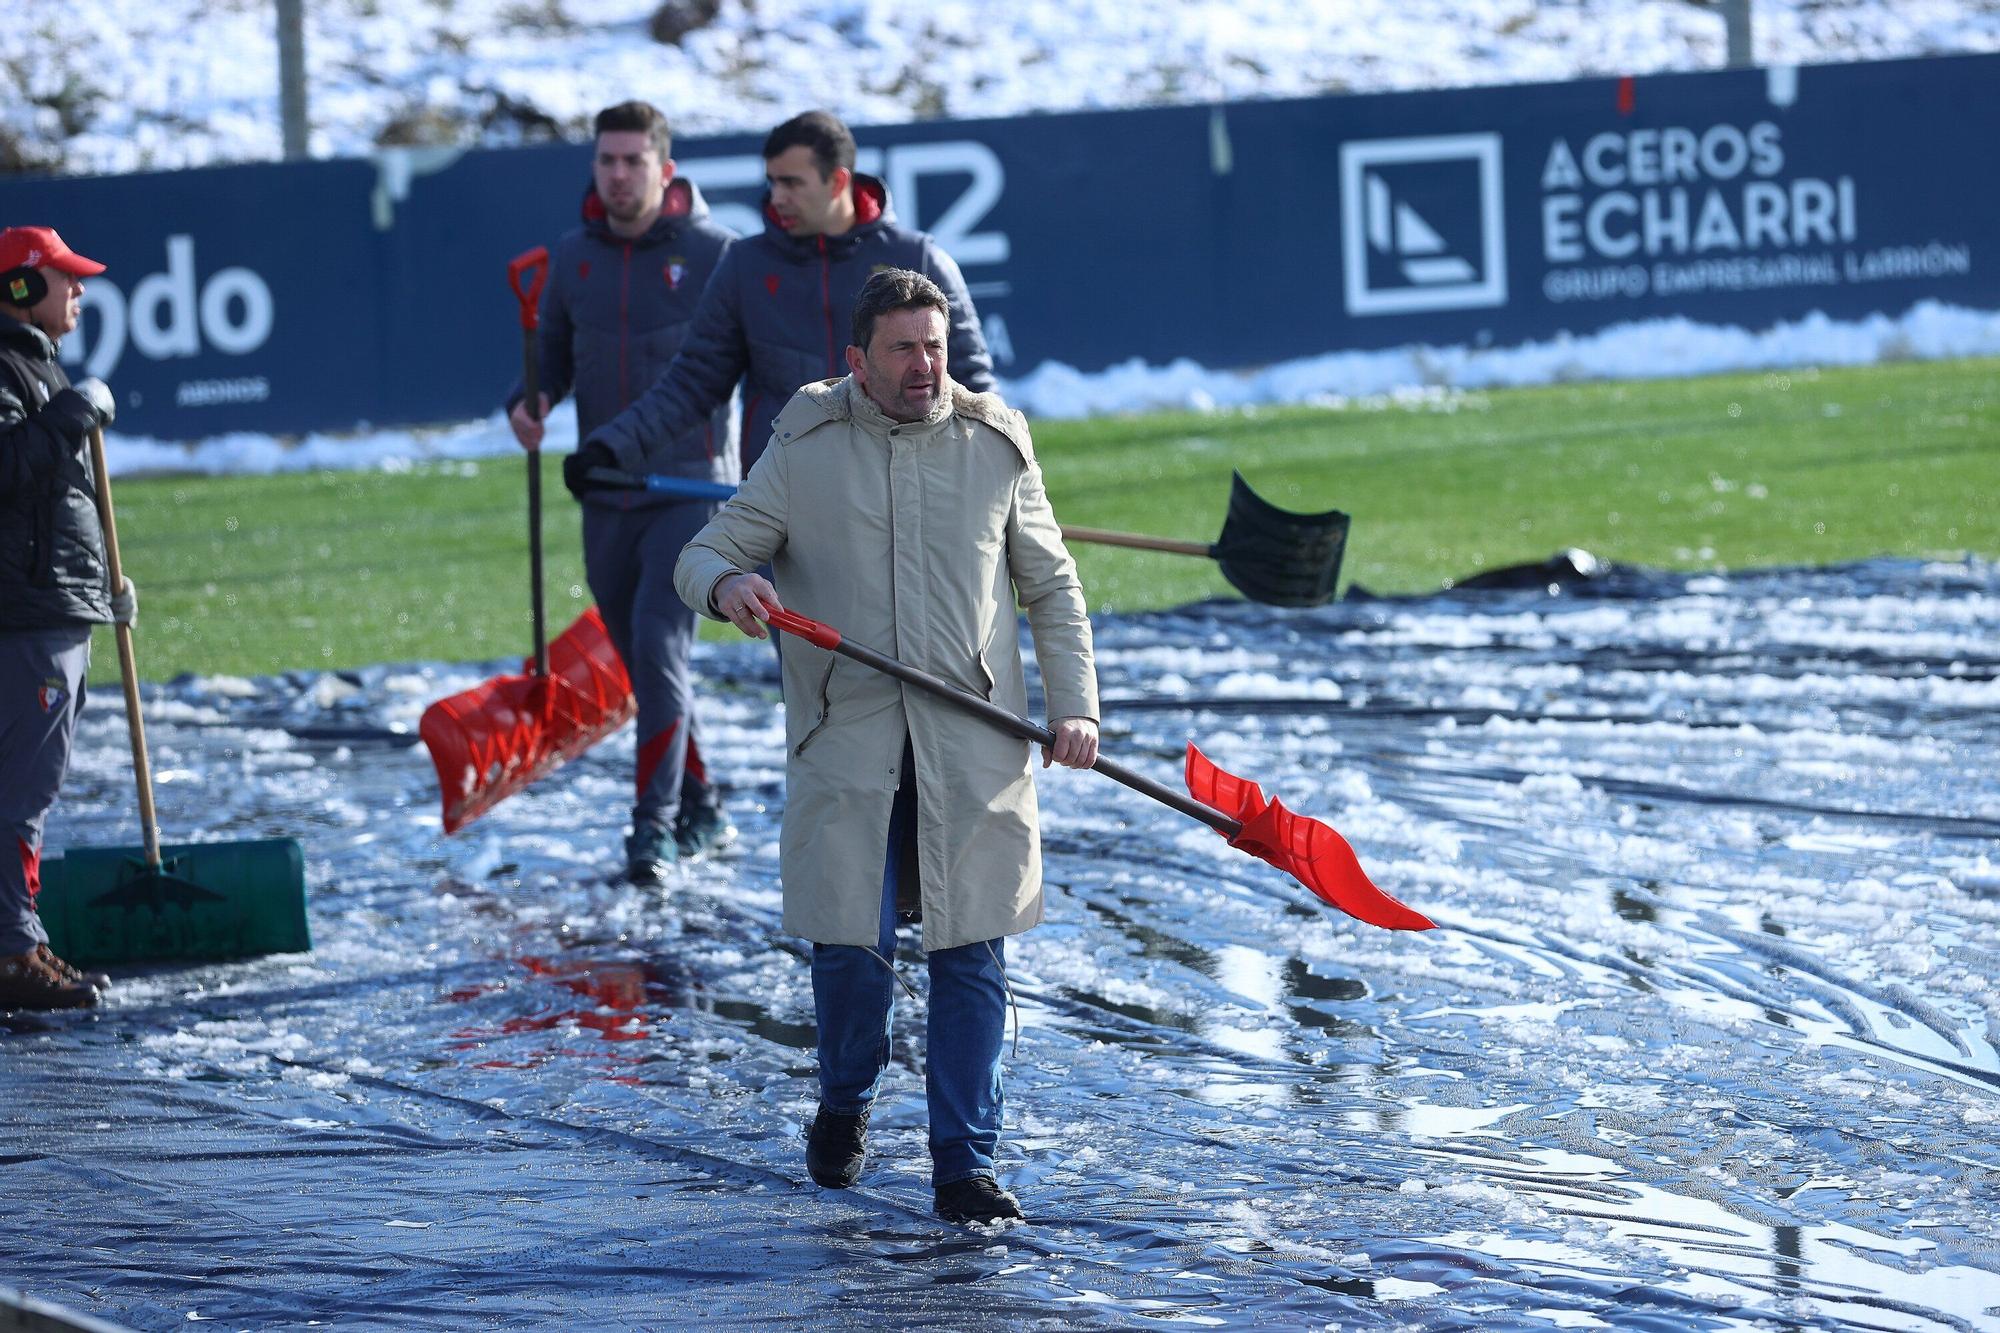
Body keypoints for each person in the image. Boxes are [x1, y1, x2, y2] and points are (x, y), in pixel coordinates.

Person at [673, 269, 1097, 1226]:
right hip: (848, 738)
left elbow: (1054, 590)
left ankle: (964, 1165)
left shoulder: (996, 442)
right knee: (853, 953)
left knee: (970, 953)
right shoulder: (806, 442)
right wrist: (728, 586)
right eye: (904, 348)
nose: (926, 365)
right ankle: (845, 1098)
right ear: (856, 360)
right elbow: (704, 550)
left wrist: (1078, 709)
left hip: (974, 745)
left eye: (936, 344)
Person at [507, 101, 741, 884]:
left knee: (656, 642)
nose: (616, 175)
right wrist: (530, 401)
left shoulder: (716, 255)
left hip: (689, 488)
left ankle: (654, 829)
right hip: (604, 492)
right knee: (649, 666)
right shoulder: (573, 257)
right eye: (605, 160)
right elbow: (553, 361)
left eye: (632, 160)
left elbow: (746, 363)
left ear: (665, 169)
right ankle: (705, 805)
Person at [570, 107, 996, 491]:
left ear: (838, 182)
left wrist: (999, 478)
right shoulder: (743, 265)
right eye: (772, 182)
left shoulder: (919, 258)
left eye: (792, 183)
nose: (776, 197)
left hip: (903, 500)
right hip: (785, 510)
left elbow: (974, 387)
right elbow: (693, 382)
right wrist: (611, 447)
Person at [0, 225, 127, 1011]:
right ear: (19, 287)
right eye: (64, 279)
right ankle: (15, 950)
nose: (79, 291)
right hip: (27, 617)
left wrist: (103, 584)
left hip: (53, 605)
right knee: (24, 789)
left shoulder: (33, 362)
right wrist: (72, 414)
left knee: (25, 786)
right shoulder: (8, 365)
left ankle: (19, 938)